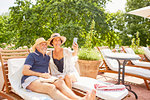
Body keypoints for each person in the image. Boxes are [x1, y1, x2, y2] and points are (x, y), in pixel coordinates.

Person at [21, 37, 96, 100]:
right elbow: (25, 71)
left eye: (45, 44)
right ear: (37, 46)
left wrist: (75, 49)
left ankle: (81, 99)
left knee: (60, 82)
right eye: (42, 44)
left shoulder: (47, 57)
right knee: (51, 87)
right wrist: (41, 74)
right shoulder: (32, 55)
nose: (44, 46)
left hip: (43, 79)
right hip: (30, 79)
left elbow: (71, 55)